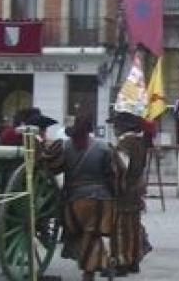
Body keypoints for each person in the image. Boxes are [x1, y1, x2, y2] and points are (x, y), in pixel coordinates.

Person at [61, 112, 120, 281]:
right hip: (101, 200)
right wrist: (115, 193)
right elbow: (112, 174)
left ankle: (100, 264)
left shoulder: (65, 147)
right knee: (94, 235)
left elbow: (55, 168)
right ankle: (92, 270)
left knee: (85, 235)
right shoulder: (103, 147)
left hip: (74, 200)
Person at [112, 112, 149, 276]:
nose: (114, 129)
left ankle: (121, 262)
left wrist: (114, 185)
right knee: (133, 227)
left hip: (124, 192)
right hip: (136, 190)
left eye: (115, 126)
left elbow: (121, 167)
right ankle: (134, 260)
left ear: (121, 127)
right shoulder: (140, 142)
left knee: (120, 228)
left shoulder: (125, 143)